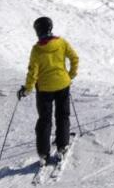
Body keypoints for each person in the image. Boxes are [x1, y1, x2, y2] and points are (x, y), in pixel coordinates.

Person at [17, 16, 79, 165]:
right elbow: (74, 58)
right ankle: (62, 146)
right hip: (63, 84)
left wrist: (27, 89)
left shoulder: (37, 49)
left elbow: (33, 72)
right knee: (62, 115)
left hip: (44, 89)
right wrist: (70, 76)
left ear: (38, 31)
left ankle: (44, 153)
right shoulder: (61, 42)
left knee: (45, 120)